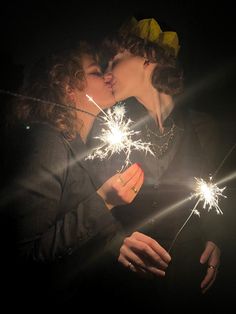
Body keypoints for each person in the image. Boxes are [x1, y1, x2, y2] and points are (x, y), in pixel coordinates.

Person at [87, 18, 224, 306]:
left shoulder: (200, 127)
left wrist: (215, 237)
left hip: (187, 286)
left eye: (114, 60)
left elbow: (211, 192)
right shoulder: (108, 125)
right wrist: (114, 243)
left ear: (147, 58)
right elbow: (81, 198)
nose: (106, 73)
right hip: (123, 290)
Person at [0, 42, 144, 309]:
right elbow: (22, 256)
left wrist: (119, 243)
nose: (107, 76)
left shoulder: (78, 145)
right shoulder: (47, 143)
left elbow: (74, 220)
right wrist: (105, 200)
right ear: (68, 87)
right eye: (95, 72)